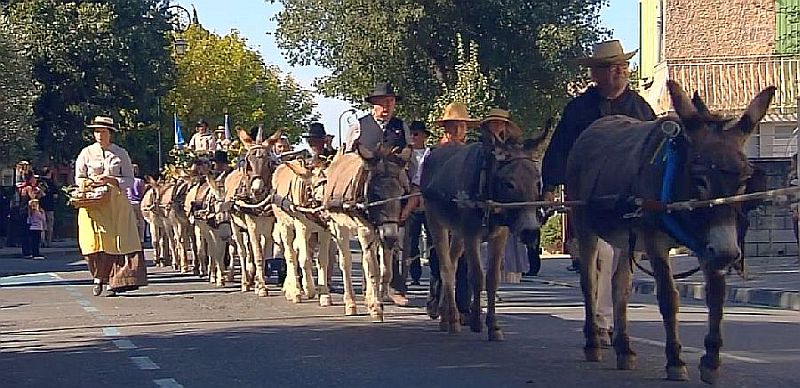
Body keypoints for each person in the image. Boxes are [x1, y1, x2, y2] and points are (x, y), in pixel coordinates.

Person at [541, 40, 656, 345]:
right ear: (595, 74)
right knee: (601, 257)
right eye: (609, 67)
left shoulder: (641, 109)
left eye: (622, 65)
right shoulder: (578, 110)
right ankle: (599, 320)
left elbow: (658, 152)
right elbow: (559, 149)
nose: (618, 71)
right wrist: (550, 187)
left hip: (631, 199)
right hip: (592, 199)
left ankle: (614, 320)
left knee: (624, 263)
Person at [75, 116, 148, 297]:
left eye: (103, 131)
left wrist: (112, 180)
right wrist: (88, 184)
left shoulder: (120, 153)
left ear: (110, 133)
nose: (100, 135)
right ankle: (98, 275)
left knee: (114, 242)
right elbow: (79, 177)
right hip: (92, 203)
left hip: (115, 203)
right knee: (91, 242)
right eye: (97, 131)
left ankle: (110, 282)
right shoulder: (86, 153)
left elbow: (130, 180)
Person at [423, 102, 480, 320]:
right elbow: (424, 184)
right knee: (438, 253)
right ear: (445, 129)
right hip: (439, 205)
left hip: (463, 209)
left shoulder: (472, 154)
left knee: (464, 257)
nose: (457, 131)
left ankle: (462, 305)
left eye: (461, 126)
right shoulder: (434, 155)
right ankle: (437, 298)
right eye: (452, 127)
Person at [399, 121, 433, 286]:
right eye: (411, 134)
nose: (413, 137)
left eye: (416, 134)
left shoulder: (431, 153)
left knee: (433, 240)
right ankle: (414, 275)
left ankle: (436, 274)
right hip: (409, 199)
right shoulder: (405, 154)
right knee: (410, 241)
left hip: (428, 201)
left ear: (424, 136)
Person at [344, 81, 410, 152]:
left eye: (391, 101)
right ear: (374, 102)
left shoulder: (402, 127)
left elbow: (411, 157)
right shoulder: (358, 126)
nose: (388, 105)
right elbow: (348, 158)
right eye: (384, 101)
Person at [127, 164, 146, 244]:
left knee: (131, 221)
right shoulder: (140, 181)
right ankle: (141, 238)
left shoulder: (127, 181)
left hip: (129, 202)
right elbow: (142, 192)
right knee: (141, 221)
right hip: (138, 202)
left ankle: (131, 237)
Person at [39, 175, 58, 248]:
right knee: (49, 225)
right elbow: (55, 197)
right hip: (50, 207)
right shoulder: (52, 185)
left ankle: (42, 241)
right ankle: (49, 242)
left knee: (42, 225)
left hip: (41, 207)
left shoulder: (40, 183)